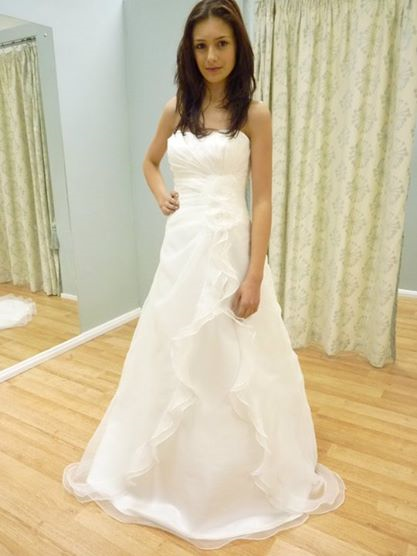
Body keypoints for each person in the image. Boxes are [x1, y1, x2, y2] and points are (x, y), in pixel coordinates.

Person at [63, 0, 345, 550]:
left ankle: (237, 480)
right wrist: (161, 194)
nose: (211, 55)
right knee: (172, 354)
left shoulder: (254, 115)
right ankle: (166, 475)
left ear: (238, 47)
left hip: (232, 252)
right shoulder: (176, 109)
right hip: (181, 252)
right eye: (200, 45)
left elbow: (262, 200)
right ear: (188, 52)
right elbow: (149, 162)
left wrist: (254, 275)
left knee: (233, 362)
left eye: (221, 43)